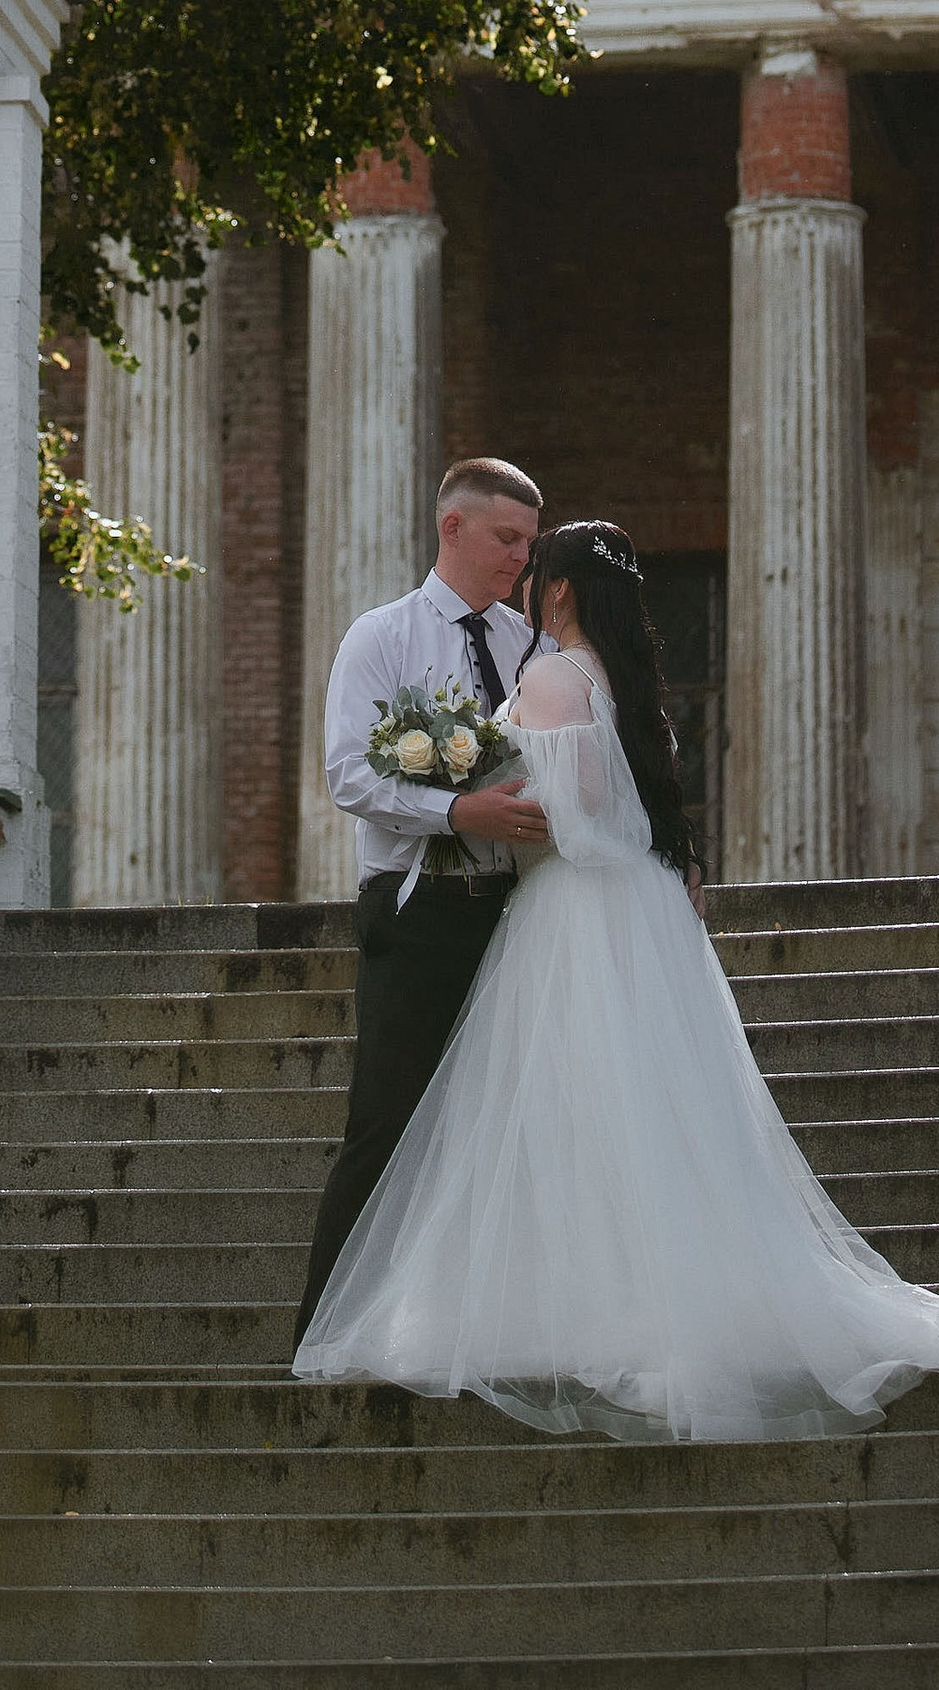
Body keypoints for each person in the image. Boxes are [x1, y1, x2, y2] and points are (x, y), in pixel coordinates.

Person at [293, 517, 939, 1442]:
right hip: (641, 912)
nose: (525, 577)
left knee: (571, 1116)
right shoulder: (632, 687)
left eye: (537, 568)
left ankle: (589, 1308)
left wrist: (477, 778)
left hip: (572, 911)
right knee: (656, 1113)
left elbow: (571, 808)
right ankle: (674, 1299)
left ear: (558, 592)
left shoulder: (553, 676)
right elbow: (637, 804)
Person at [292, 457, 551, 1341]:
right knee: (387, 1119)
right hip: (418, 908)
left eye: (529, 540)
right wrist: (453, 808)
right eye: (506, 538)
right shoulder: (384, 636)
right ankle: (324, 1336)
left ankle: (483, 1331)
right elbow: (348, 774)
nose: (523, 558)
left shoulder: (537, 649)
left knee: (508, 1127)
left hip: (521, 916)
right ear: (454, 528)